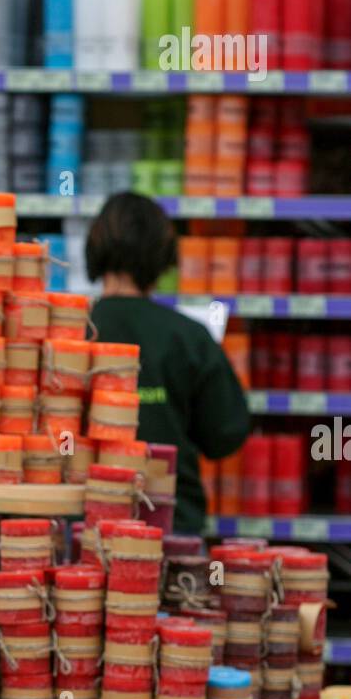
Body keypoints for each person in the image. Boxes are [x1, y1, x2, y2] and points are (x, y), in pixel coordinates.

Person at [86, 191, 250, 534]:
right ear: (163, 258)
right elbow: (225, 435)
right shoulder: (189, 338)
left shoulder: (69, 333)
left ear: (95, 248)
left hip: (83, 526)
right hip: (171, 527)